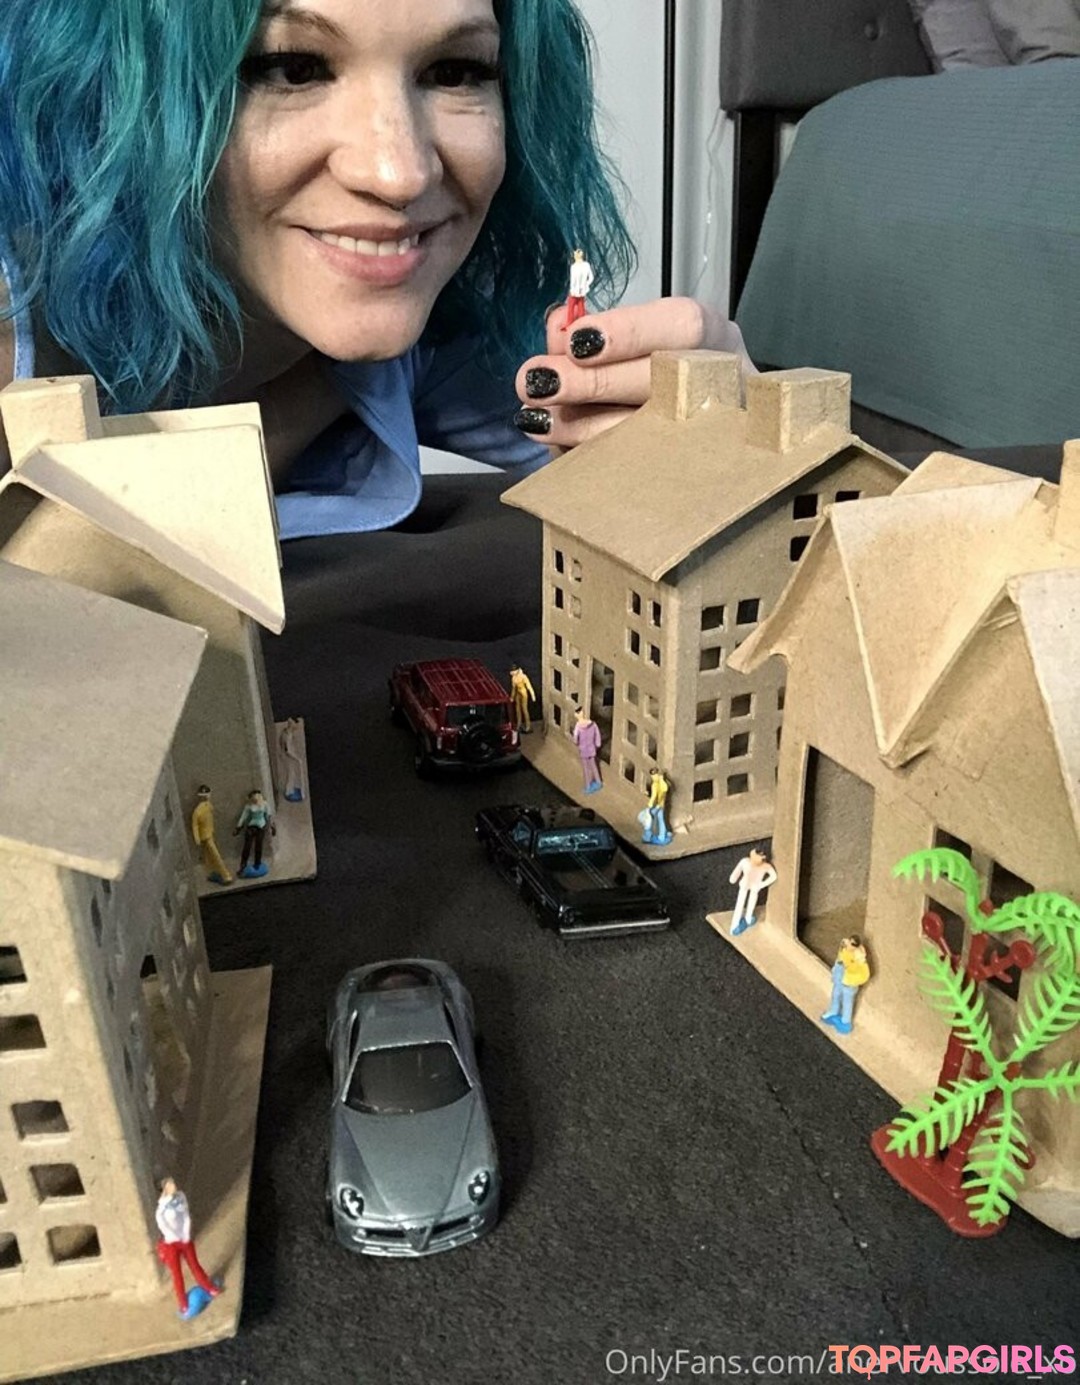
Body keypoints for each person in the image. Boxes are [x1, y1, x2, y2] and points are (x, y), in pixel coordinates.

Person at [0, 0, 754, 539]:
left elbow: (645, 467)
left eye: (454, 71)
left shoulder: (433, 325)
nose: (399, 173)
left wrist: (735, 437)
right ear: (111, 90)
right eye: (293, 68)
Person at [155, 1177, 222, 1320]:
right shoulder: (161, 1209)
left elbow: (185, 1215)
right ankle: (183, 1304)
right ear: (164, 1189)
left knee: (195, 1265)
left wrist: (185, 1234)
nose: (174, 1186)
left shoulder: (181, 1197)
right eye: (170, 1185)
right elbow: (163, 1226)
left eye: (173, 1183)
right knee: (177, 1274)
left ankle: (209, 1287)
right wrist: (174, 1237)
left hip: (184, 1239)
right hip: (171, 1243)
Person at [821, 935, 871, 1036]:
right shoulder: (845, 949)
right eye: (849, 942)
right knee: (835, 995)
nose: (849, 945)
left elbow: (864, 974)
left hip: (849, 983)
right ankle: (833, 1011)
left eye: (852, 944)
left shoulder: (859, 958)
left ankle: (845, 1021)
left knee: (847, 1002)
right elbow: (840, 959)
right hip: (840, 977)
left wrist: (852, 980)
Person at [729, 846, 777, 936]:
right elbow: (737, 871)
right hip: (746, 885)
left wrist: (761, 885)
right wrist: (733, 879)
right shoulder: (746, 862)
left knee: (750, 902)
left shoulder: (765, 866)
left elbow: (773, 876)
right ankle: (735, 925)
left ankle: (748, 918)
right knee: (740, 904)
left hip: (755, 887)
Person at [190, 784, 233, 886]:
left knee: (210, 855)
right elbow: (195, 826)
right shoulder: (197, 811)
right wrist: (197, 838)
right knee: (213, 855)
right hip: (205, 836)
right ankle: (225, 875)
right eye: (206, 796)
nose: (208, 797)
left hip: (210, 833)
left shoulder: (208, 805)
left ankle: (218, 873)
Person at [234, 789, 275, 878]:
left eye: (257, 796)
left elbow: (268, 816)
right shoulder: (249, 806)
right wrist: (238, 827)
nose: (256, 799)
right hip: (251, 827)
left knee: (258, 846)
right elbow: (243, 817)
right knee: (247, 847)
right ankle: (243, 865)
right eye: (254, 797)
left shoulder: (264, 804)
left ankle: (257, 863)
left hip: (261, 827)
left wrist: (272, 826)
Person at [571, 706, 603, 794]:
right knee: (593, 765)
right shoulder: (593, 724)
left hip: (583, 750)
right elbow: (597, 735)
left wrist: (577, 743)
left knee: (586, 768)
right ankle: (598, 782)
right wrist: (597, 744)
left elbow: (575, 739)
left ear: (576, 715)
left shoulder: (578, 726)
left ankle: (588, 786)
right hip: (592, 748)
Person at [642, 766, 672, 846]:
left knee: (657, 820)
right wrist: (650, 803)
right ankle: (661, 834)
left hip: (660, 805)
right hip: (657, 805)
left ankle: (661, 836)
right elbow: (654, 795)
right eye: (652, 776)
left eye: (654, 776)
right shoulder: (655, 784)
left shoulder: (660, 783)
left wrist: (651, 805)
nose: (653, 778)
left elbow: (662, 791)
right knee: (659, 819)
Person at [508, 662, 535, 733]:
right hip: (518, 693)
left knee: (524, 709)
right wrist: (512, 697)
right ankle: (519, 724)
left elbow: (529, 686)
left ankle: (528, 726)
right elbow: (513, 689)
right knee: (517, 709)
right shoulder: (513, 678)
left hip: (523, 692)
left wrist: (533, 695)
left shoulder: (523, 676)